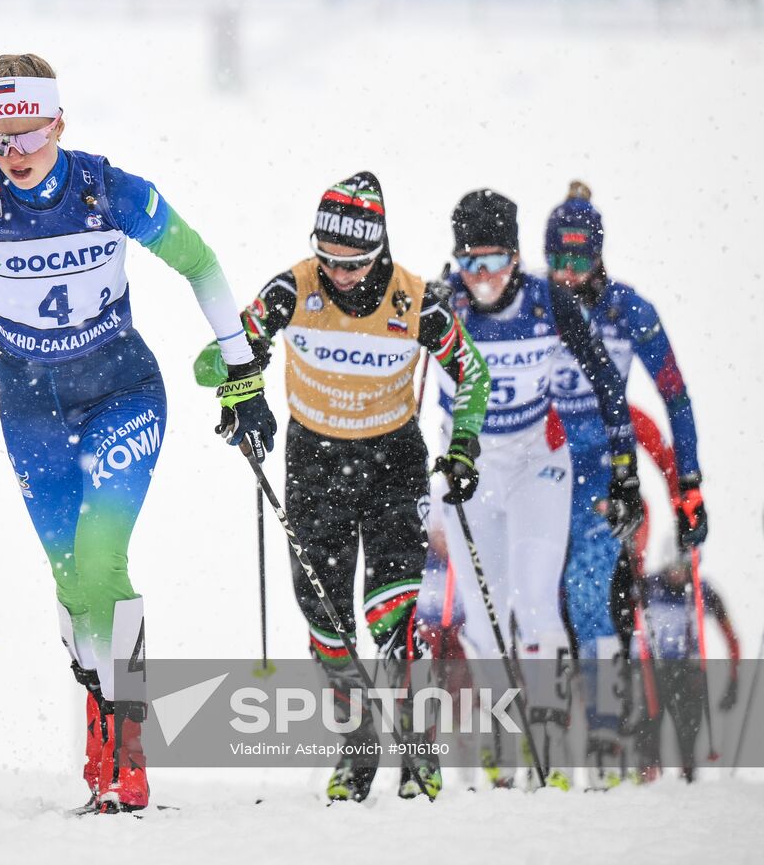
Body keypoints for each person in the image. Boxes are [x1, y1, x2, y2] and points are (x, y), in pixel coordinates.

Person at [0, 54, 275, 814]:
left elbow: (200, 263)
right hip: (27, 404)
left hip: (122, 389)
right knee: (69, 576)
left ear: (59, 121)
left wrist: (242, 371)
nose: (14, 153)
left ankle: (131, 744)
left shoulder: (106, 188)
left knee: (101, 557)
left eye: (28, 132)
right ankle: (99, 710)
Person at [196, 172, 491, 802]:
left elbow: (473, 373)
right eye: (329, 258)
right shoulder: (292, 288)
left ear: (379, 250)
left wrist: (463, 446)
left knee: (392, 611)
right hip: (314, 463)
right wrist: (238, 386)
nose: (341, 274)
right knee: (326, 622)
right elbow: (215, 358)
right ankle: (358, 747)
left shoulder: (416, 300)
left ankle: (417, 744)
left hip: (392, 462)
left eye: (355, 262)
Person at [427, 188, 641, 790]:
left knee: (538, 604)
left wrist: (624, 468)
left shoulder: (551, 303)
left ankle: (546, 731)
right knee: (483, 614)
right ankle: (501, 734)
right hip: (469, 466)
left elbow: (606, 382)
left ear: (517, 259)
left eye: (495, 262)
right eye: (470, 263)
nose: (484, 278)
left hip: (535, 464)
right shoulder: (444, 308)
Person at [542, 181, 709, 775]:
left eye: (579, 259)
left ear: (599, 255)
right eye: (556, 258)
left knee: (593, 598)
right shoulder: (537, 304)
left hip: (604, 476)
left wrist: (686, 484)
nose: (566, 272)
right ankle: (549, 731)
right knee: (540, 603)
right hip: (539, 472)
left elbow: (675, 399)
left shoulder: (627, 310)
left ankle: (617, 734)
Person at [635, 543, 741, 782]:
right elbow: (624, 609)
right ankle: (647, 778)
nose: (677, 573)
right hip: (655, 667)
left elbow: (731, 636)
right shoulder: (648, 585)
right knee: (648, 727)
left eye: (683, 567)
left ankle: (688, 776)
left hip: (688, 669)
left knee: (688, 728)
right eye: (672, 567)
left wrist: (734, 678)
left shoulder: (703, 590)